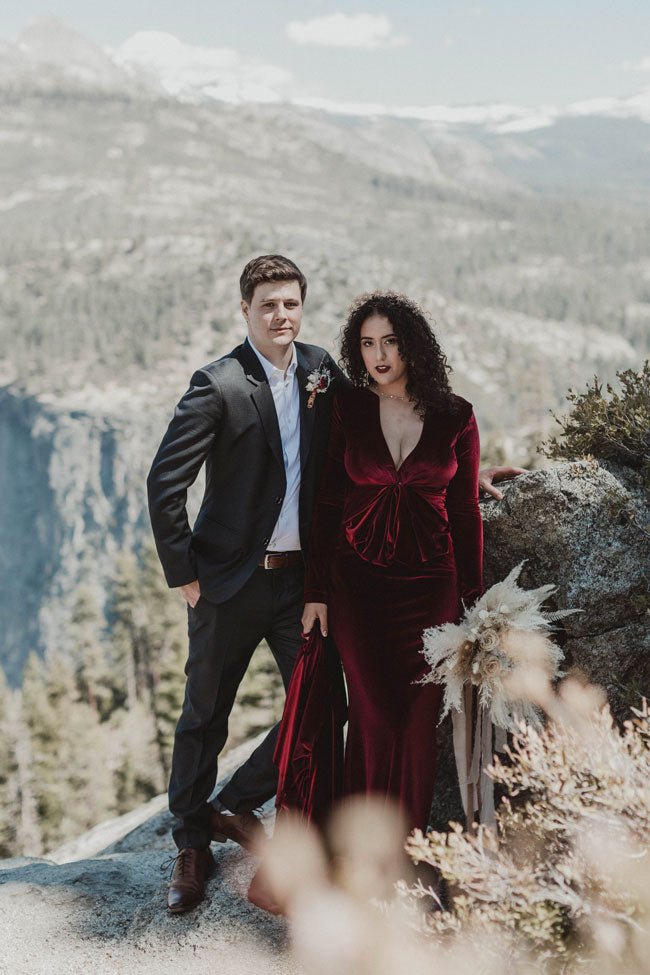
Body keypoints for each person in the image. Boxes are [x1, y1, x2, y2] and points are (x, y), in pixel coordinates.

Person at [147, 257, 523, 914]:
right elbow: (164, 484)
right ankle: (190, 843)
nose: (281, 315)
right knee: (205, 709)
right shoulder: (218, 385)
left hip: (305, 586)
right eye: (268, 305)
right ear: (246, 309)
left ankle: (239, 803)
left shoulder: (324, 371)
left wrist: (465, 470)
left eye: (290, 303)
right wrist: (185, 574)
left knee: (319, 708)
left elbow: (396, 422)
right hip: (230, 583)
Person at [296, 292, 487, 833]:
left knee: (417, 721)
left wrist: (472, 603)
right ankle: (364, 854)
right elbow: (328, 502)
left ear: (413, 345)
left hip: (432, 589)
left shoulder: (456, 415)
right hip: (358, 587)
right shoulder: (348, 409)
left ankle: (408, 853)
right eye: (367, 344)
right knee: (376, 714)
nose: (378, 355)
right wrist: (317, 591)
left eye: (390, 342)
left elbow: (465, 508)